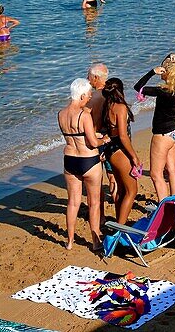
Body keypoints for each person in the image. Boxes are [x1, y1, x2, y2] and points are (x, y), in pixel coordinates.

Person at [58, 78, 107, 251]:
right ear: (82, 95)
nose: (89, 98)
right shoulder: (84, 115)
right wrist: (105, 139)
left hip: (70, 160)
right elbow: (92, 142)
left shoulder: (61, 114)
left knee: (73, 203)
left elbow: (74, 136)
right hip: (88, 160)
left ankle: (70, 241)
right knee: (93, 203)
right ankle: (95, 241)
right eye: (88, 96)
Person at [134, 54, 175, 200]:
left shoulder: (163, 91)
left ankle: (163, 206)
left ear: (167, 71)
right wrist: (170, 56)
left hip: (163, 136)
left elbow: (138, 87)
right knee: (172, 171)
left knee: (156, 174)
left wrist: (152, 71)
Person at [100, 78, 141, 224]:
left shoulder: (107, 105)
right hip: (120, 150)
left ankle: (119, 220)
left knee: (121, 191)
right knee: (132, 191)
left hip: (111, 150)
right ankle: (120, 228)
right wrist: (134, 156)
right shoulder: (120, 108)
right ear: (121, 90)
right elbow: (123, 136)